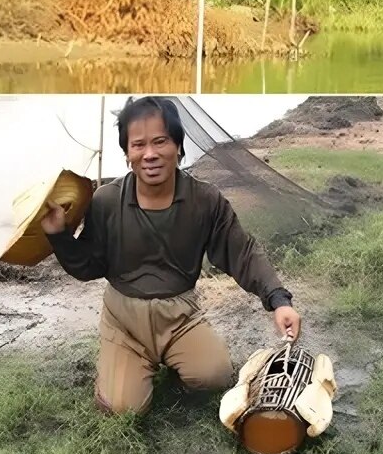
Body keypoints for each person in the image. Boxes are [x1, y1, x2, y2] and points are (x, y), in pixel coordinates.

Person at [42, 96, 301, 415]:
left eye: (160, 141)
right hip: (124, 321)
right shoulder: (106, 201)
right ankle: (120, 365)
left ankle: (167, 359)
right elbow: (88, 265)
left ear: (178, 146)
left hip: (180, 318)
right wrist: (59, 235)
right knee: (125, 407)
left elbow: (242, 252)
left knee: (215, 376)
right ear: (127, 154)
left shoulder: (205, 201)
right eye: (138, 145)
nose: (149, 154)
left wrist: (279, 300)